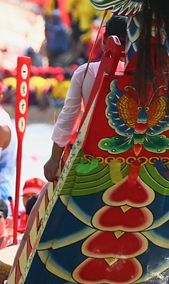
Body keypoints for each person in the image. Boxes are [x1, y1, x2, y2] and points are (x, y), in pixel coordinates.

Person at [44, 16, 128, 182]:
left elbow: (68, 117)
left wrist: (54, 160)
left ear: (105, 39)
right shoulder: (148, 76)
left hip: (91, 158)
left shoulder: (85, 72)